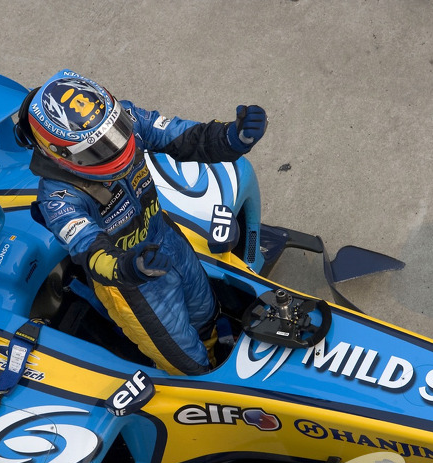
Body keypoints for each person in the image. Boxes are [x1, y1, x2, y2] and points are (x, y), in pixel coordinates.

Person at [15, 69, 266, 375]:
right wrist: (131, 268)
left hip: (168, 239)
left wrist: (232, 137)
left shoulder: (128, 118)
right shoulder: (58, 198)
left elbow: (182, 137)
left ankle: (220, 351)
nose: (116, 145)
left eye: (114, 132)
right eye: (99, 148)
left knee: (208, 313)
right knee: (188, 365)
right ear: (61, 155)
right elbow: (91, 254)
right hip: (132, 284)